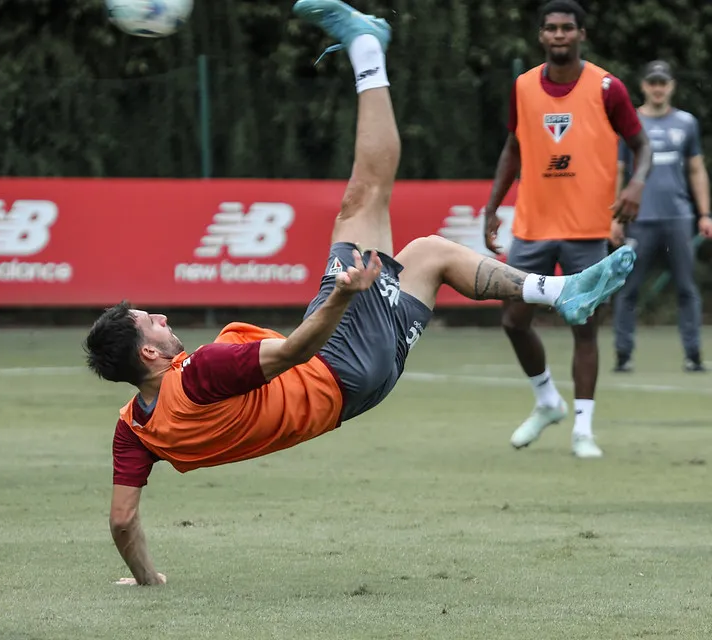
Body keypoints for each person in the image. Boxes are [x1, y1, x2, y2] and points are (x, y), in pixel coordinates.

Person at [83, 0, 636, 586]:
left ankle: (558, 290)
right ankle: (366, 46)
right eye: (150, 321)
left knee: (426, 255)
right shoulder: (199, 375)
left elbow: (122, 520)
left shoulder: (134, 429)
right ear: (148, 352)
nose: (161, 316)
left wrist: (148, 579)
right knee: (367, 199)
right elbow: (295, 350)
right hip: (335, 361)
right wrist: (343, 296)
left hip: (361, 391)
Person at [482, 0, 652, 459]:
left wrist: (636, 183)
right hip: (533, 227)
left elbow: (641, 145)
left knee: (585, 327)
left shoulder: (607, 87)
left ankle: (583, 429)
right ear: (541, 35)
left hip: (586, 229)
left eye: (567, 28)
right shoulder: (522, 86)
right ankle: (547, 402)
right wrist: (493, 205)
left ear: (581, 34)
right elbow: (513, 148)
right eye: (551, 28)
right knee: (514, 321)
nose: (559, 35)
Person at [612, 60, 712, 373]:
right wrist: (615, 217)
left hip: (678, 217)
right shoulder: (630, 122)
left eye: (663, 83)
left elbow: (696, 169)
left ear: (671, 86)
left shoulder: (686, 123)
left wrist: (705, 213)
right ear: (644, 86)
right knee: (628, 288)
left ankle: (693, 355)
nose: (658, 88)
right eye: (652, 82)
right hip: (638, 220)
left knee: (686, 288)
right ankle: (623, 355)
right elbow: (618, 171)